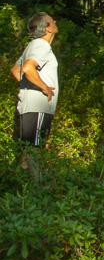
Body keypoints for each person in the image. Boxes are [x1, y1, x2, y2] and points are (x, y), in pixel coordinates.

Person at [9, 12, 59, 174]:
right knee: (34, 150)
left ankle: (19, 188)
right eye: (52, 21)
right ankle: (38, 191)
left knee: (25, 151)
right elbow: (27, 68)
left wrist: (29, 87)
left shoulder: (32, 45)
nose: (55, 22)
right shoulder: (42, 45)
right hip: (38, 107)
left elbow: (16, 71)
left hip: (27, 106)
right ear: (48, 28)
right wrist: (43, 87)